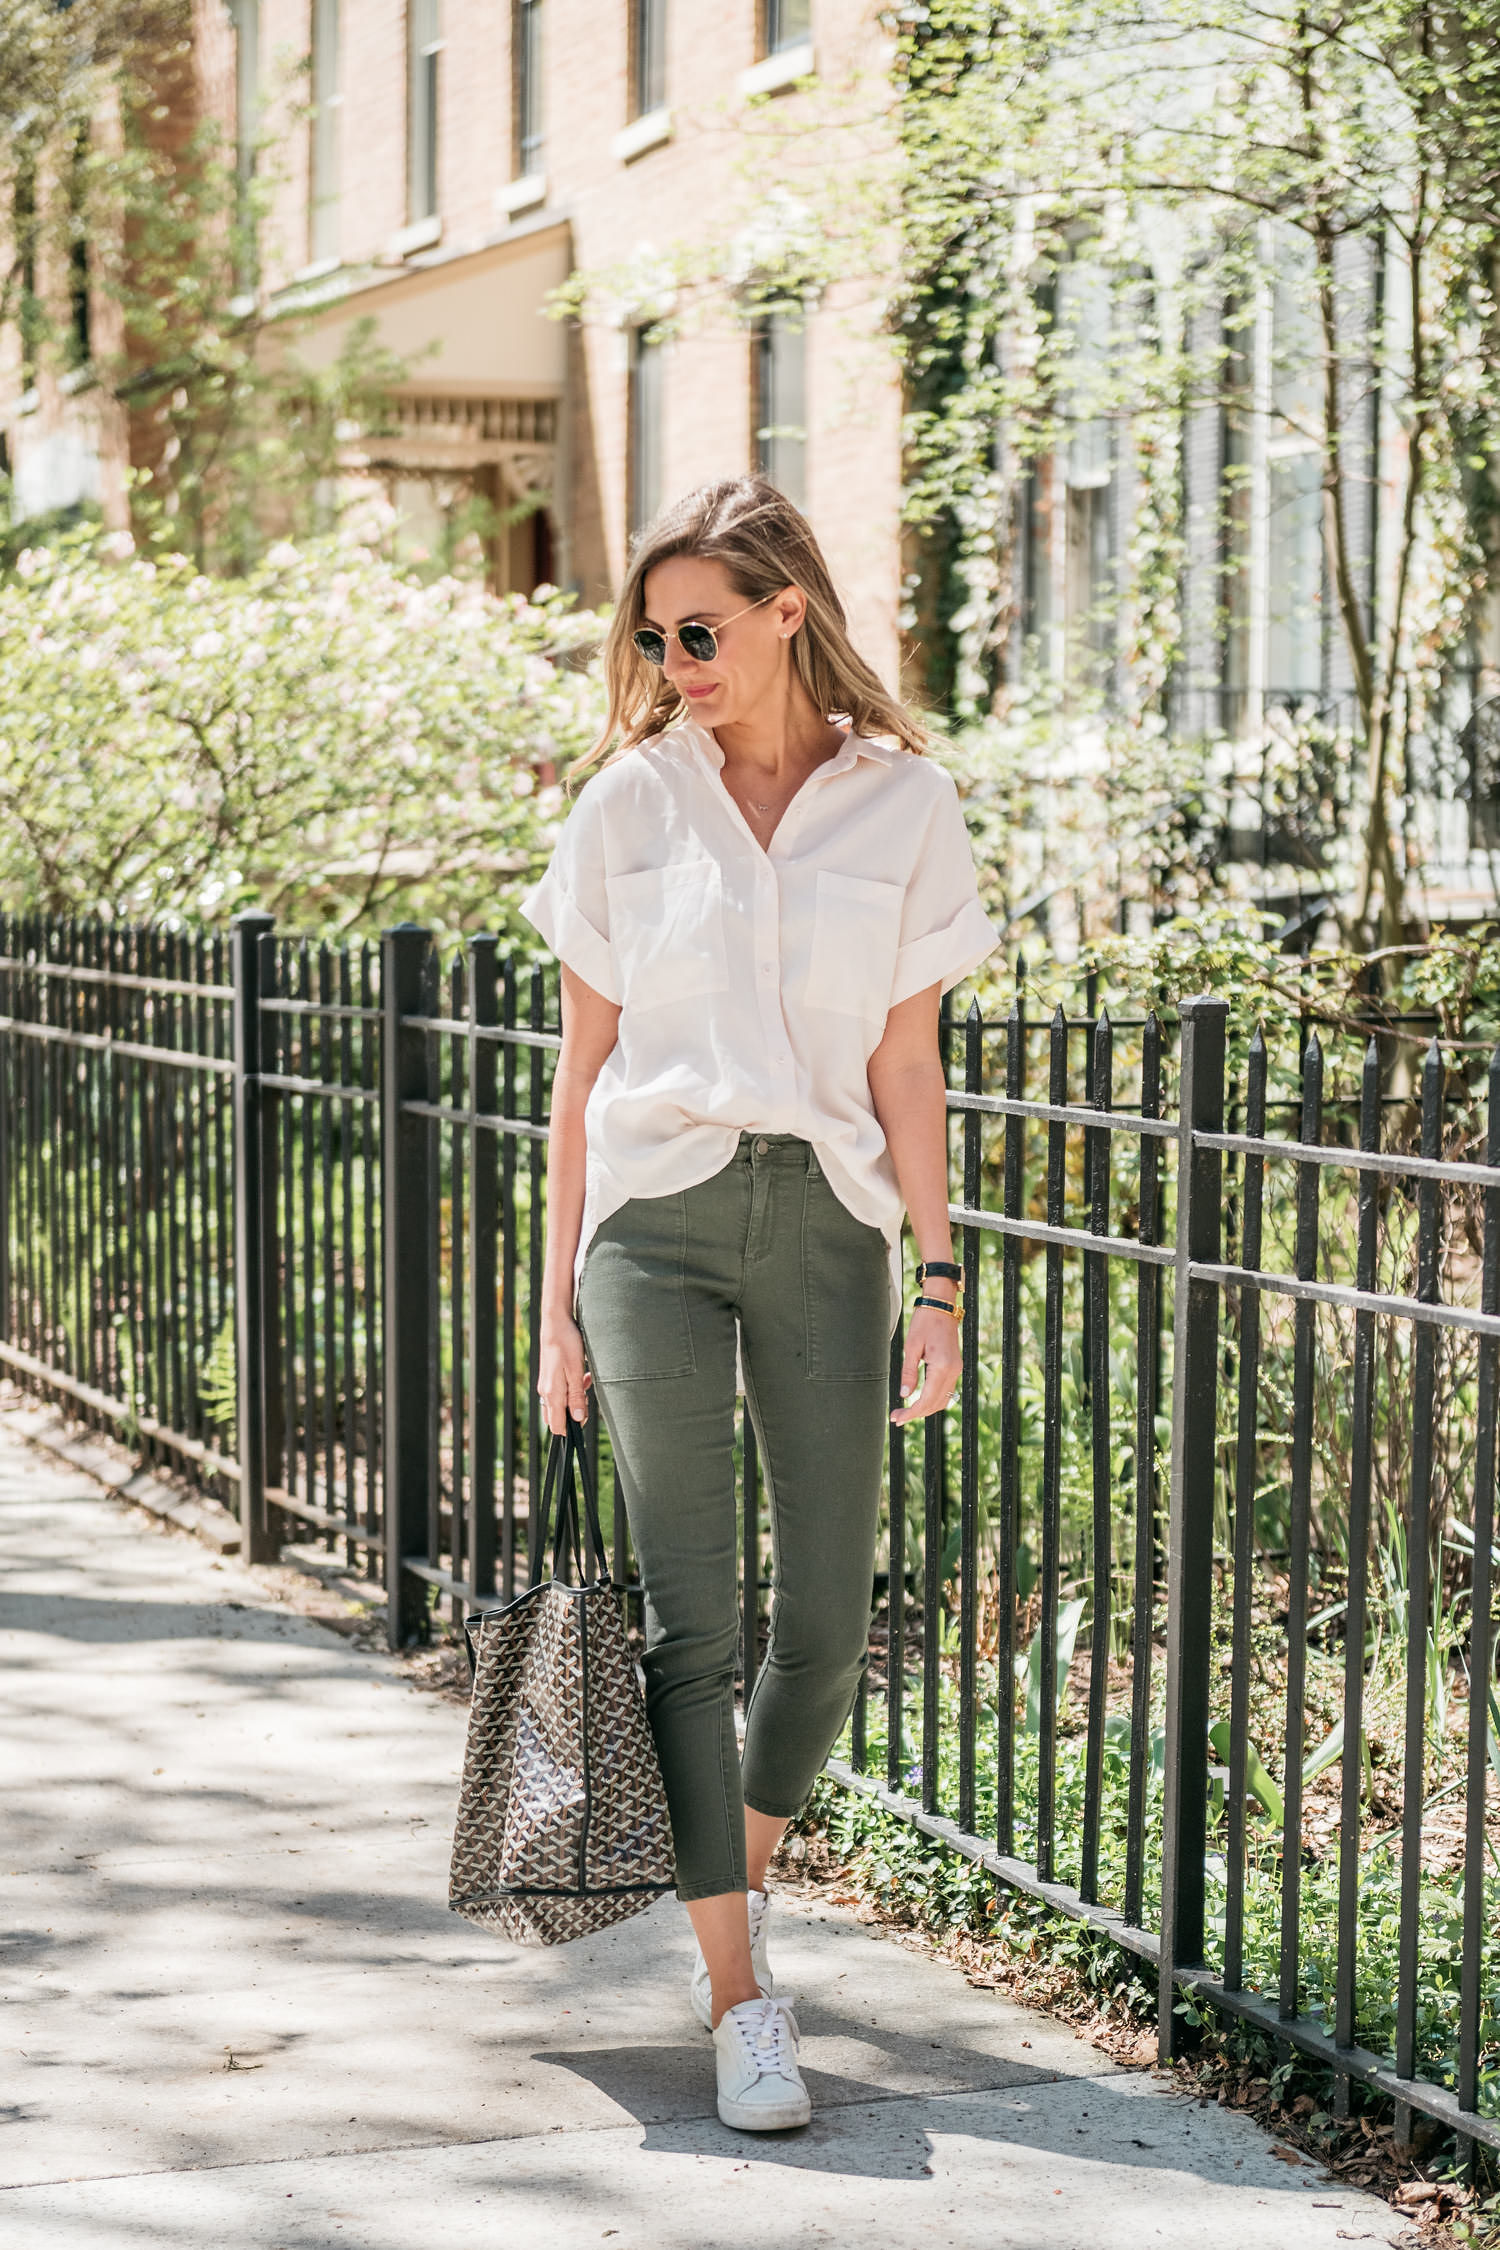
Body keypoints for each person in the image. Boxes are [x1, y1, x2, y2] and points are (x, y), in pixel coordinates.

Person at [523, 475, 998, 2133]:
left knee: (822, 1629)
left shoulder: (904, 804)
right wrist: (554, 1306)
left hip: (828, 1220)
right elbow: (582, 1070)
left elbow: (908, 1061)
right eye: (653, 636)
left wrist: (941, 1272)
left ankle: (730, 1869)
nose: (674, 659)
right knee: (689, 1620)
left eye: (701, 629)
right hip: (650, 1220)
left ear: (788, 609)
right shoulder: (628, 806)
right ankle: (741, 1994)